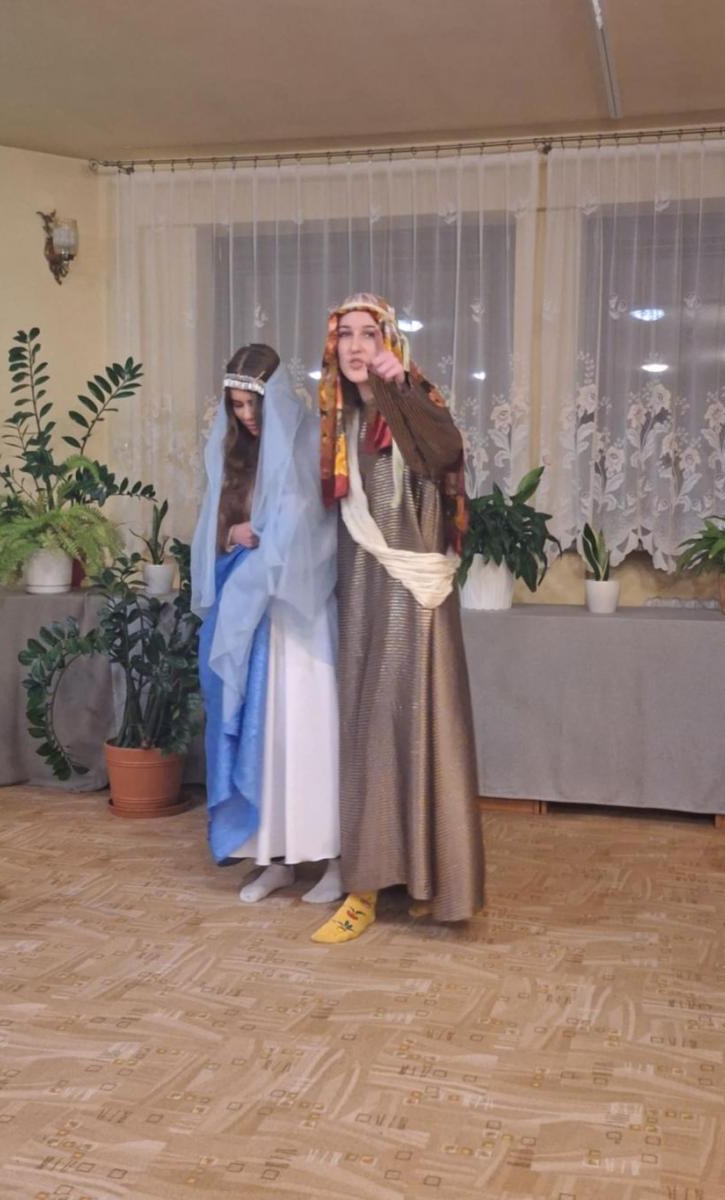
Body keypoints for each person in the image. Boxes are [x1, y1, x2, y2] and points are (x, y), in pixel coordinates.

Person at [311, 294, 485, 945]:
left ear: (389, 343)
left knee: (422, 730)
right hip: (362, 597)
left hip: (416, 602)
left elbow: (445, 452)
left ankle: (431, 883)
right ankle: (365, 886)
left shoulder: (413, 406)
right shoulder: (341, 425)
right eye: (346, 335)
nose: (357, 346)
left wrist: (398, 384)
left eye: (370, 334)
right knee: (369, 734)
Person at [192, 344, 342, 905]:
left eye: (252, 404)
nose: (246, 416)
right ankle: (273, 857)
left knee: (307, 733)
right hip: (251, 620)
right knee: (265, 739)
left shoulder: (307, 441)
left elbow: (322, 527)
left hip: (300, 619)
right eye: (236, 406)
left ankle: (334, 860)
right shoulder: (233, 455)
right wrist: (233, 534)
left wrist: (275, 538)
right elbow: (213, 529)